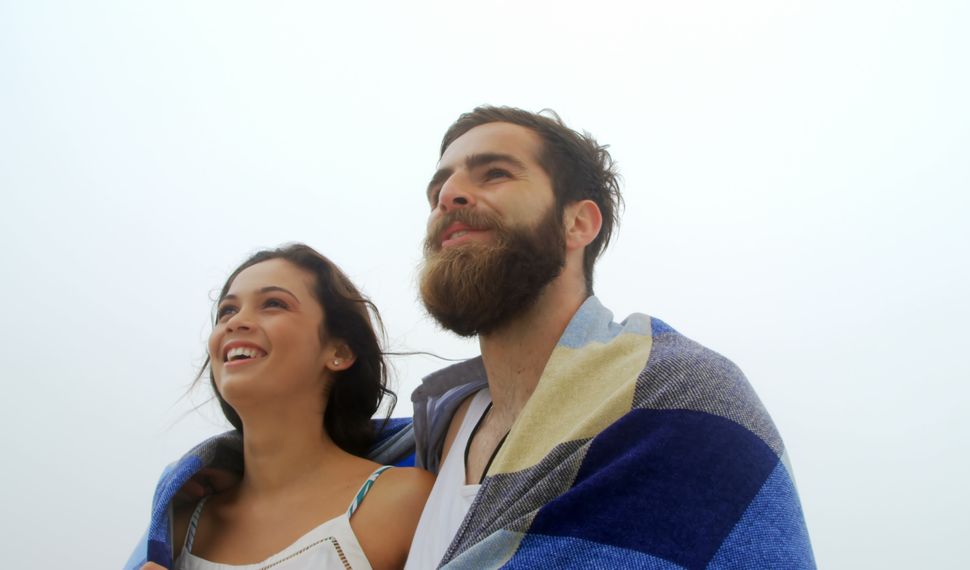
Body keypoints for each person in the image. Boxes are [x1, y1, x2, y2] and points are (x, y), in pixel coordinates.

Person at [405, 106, 816, 568]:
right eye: (437, 191)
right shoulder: (419, 449)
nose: (449, 196)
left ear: (578, 223)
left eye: (495, 173)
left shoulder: (679, 396)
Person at [130, 244, 433, 570]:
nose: (236, 322)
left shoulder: (406, 501)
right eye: (227, 311)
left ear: (340, 352)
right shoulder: (178, 525)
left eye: (273, 304)